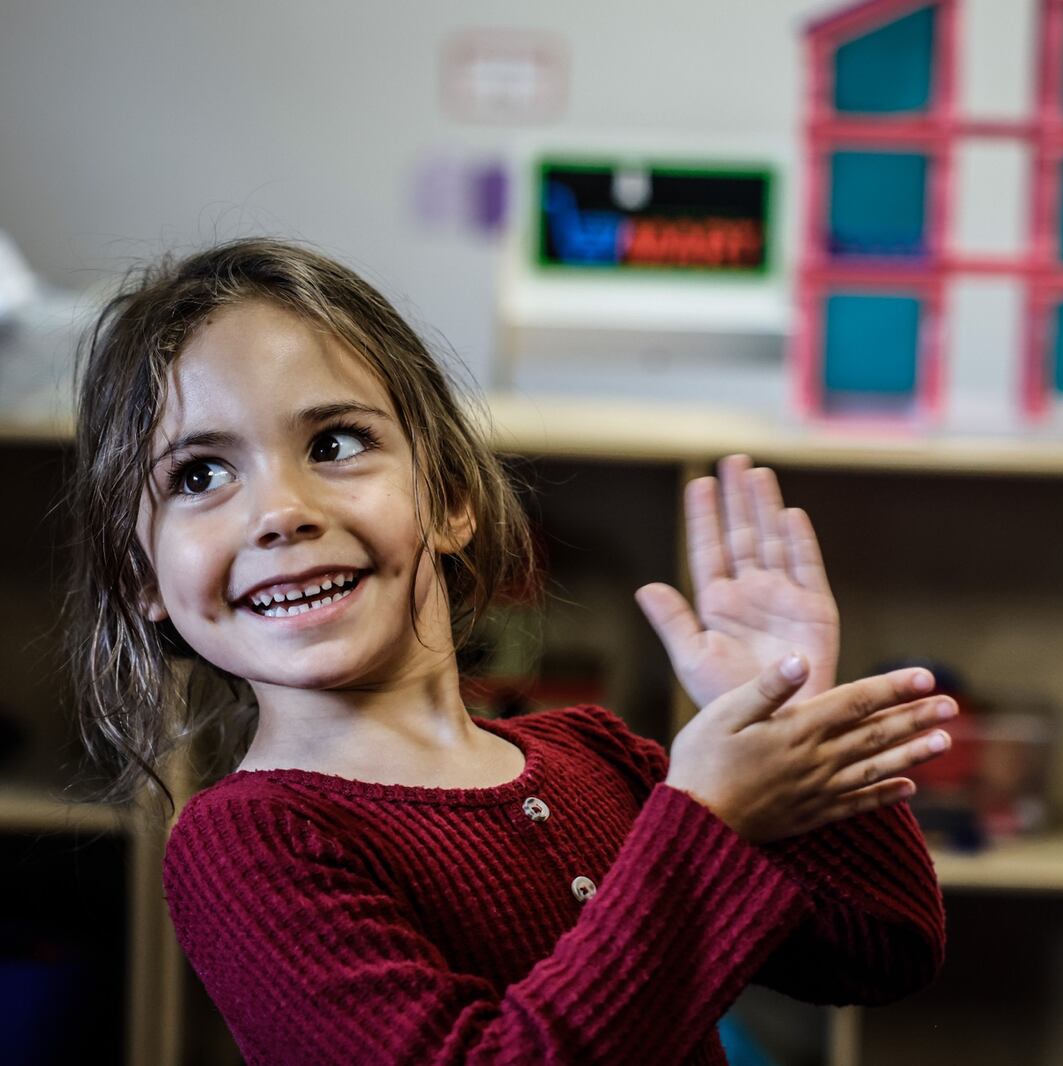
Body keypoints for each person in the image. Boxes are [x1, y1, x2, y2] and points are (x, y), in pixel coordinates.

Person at [65, 238, 954, 1064]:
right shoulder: (249, 845)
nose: (280, 511)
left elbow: (883, 950)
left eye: (335, 444)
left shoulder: (601, 758)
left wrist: (786, 719)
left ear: (453, 499)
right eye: (199, 475)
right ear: (141, 574)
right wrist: (707, 825)